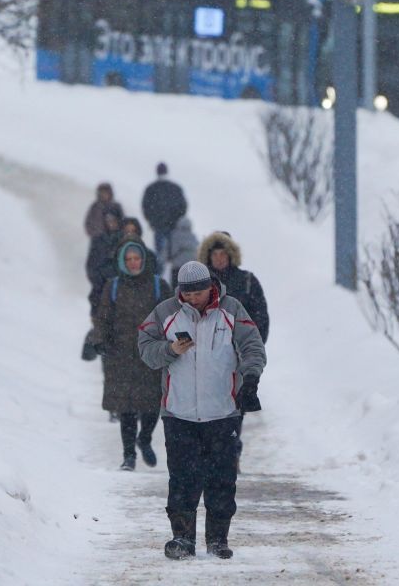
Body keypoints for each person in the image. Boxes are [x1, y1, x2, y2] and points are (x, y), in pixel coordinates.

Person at [138, 261, 266, 560]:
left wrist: (251, 377)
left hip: (223, 412)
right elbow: (145, 349)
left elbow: (252, 346)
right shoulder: (164, 313)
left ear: (211, 286)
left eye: (199, 292)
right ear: (180, 292)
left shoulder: (232, 310)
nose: (194, 298)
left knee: (222, 479)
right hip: (178, 413)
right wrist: (170, 351)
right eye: (188, 293)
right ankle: (182, 538)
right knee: (182, 479)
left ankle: (218, 539)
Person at [94, 238, 171, 470]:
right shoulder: (114, 286)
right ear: (122, 262)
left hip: (151, 354)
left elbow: (171, 317)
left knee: (151, 404)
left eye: (137, 258)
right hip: (121, 355)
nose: (133, 263)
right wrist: (99, 340)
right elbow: (103, 317)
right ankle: (129, 455)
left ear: (144, 259)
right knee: (126, 407)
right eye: (128, 259)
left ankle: (144, 438)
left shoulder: (159, 286)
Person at [197, 231, 269, 474]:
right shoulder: (198, 285)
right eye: (214, 254)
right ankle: (210, 453)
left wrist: (252, 350)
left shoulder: (247, 282)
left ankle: (230, 452)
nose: (219, 259)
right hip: (205, 357)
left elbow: (260, 318)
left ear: (231, 255)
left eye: (223, 254)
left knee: (234, 407)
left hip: (236, 357)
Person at [141, 162, 187, 265]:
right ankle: (168, 275)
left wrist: (152, 221)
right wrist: (176, 219)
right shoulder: (175, 188)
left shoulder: (151, 189)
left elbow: (145, 207)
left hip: (161, 226)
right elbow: (183, 206)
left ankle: (161, 275)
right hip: (170, 226)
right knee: (173, 254)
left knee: (161, 254)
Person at [85, 208, 124, 315]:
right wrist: (99, 280)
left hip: (121, 290)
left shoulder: (126, 240)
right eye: (108, 220)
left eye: (113, 220)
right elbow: (91, 265)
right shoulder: (98, 240)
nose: (111, 223)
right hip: (100, 289)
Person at [164, 216, 198, 287]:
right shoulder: (193, 237)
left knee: (176, 290)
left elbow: (170, 252)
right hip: (191, 268)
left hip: (177, 268)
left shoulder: (174, 236)